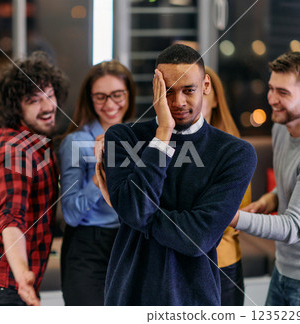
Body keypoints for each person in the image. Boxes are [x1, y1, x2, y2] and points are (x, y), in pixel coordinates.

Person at [96, 44, 257, 306]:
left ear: (206, 85)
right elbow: (135, 210)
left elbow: (198, 238)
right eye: (168, 92)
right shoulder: (123, 137)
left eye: (188, 90)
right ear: (155, 88)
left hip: (193, 300)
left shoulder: (236, 153)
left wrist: (139, 215)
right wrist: (163, 134)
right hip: (129, 294)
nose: (177, 102)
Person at [0, 51, 68, 306]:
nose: (47, 107)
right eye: (34, 100)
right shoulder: (17, 151)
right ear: (15, 107)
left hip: (6, 285)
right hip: (2, 287)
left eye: (50, 95)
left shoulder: (34, 143)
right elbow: (11, 220)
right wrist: (23, 275)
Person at [230, 51, 300, 306]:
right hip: (283, 268)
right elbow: (292, 186)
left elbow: (293, 227)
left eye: (283, 93)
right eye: (271, 88)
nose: (272, 99)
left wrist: (234, 218)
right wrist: (268, 200)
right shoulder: (281, 127)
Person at [58, 60, 135, 305]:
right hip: (86, 250)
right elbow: (70, 214)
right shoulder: (75, 143)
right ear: (90, 99)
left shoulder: (138, 140)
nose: (110, 105)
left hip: (127, 246)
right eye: (100, 97)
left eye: (117, 95)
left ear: (129, 95)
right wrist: (101, 170)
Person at [202, 66, 252, 306]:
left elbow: (236, 212)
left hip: (223, 263)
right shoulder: (165, 145)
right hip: (177, 264)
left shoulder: (235, 149)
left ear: (215, 100)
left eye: (201, 92)